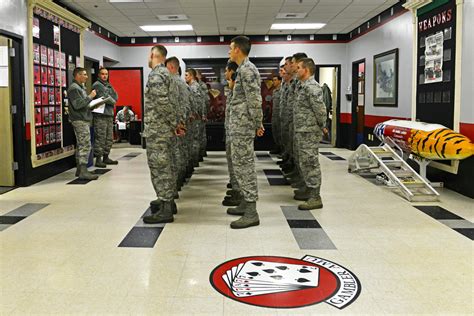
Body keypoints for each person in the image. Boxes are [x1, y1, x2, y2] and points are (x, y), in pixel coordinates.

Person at [142, 45, 183, 224]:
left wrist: (174, 123)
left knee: (160, 168)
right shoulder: (169, 75)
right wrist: (177, 123)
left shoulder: (156, 75)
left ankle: (166, 208)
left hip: (158, 130)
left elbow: (162, 103)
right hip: (166, 130)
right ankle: (168, 201)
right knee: (167, 165)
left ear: (152, 55)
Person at [226, 36, 264, 229]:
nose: (229, 51)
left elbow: (254, 100)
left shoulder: (248, 70)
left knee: (245, 167)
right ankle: (244, 203)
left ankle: (251, 212)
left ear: (238, 50)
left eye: (231, 48)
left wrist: (258, 123)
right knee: (239, 166)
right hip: (238, 127)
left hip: (243, 127)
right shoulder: (242, 70)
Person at [294, 58, 328, 210]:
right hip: (302, 130)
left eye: (299, 67)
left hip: (309, 131)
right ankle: (309, 188)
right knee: (304, 162)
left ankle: (315, 196)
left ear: (306, 70)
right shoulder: (302, 86)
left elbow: (320, 110)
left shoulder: (312, 87)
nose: (296, 70)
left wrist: (322, 125)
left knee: (311, 162)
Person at [67, 67, 98, 180]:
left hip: (83, 118)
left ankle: (80, 170)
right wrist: (90, 97)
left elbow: (83, 104)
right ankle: (83, 171)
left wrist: (93, 104)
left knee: (81, 145)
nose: (86, 76)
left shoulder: (80, 88)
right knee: (85, 145)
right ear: (78, 75)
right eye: (84, 74)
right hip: (79, 120)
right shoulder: (74, 89)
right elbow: (78, 105)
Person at [222, 60, 241, 207]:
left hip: (238, 132)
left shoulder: (238, 88)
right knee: (232, 161)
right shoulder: (231, 88)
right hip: (231, 130)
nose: (225, 73)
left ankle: (239, 192)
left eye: (227, 70)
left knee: (238, 163)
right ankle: (236, 188)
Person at [92, 67, 119, 167]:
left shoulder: (108, 85)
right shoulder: (97, 85)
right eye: (102, 74)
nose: (104, 76)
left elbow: (116, 96)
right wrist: (112, 101)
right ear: (99, 75)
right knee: (101, 137)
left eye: (106, 74)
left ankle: (106, 157)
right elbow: (106, 98)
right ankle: (98, 159)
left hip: (109, 114)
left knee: (109, 137)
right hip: (100, 115)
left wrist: (112, 99)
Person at [269, 71, 282, 154]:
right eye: (273, 80)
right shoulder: (274, 91)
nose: (273, 82)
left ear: (279, 81)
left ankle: (282, 149)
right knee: (275, 132)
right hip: (275, 115)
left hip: (281, 115)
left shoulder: (282, 90)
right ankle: (277, 147)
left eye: (275, 80)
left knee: (281, 134)